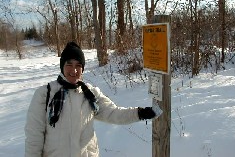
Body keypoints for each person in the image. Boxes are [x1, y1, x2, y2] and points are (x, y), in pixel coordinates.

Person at [25, 41, 159, 157]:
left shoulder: (89, 93)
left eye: (78, 65)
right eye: (69, 64)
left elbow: (113, 113)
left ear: (82, 68)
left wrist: (139, 113)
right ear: (62, 66)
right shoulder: (45, 94)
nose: (74, 70)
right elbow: (34, 136)